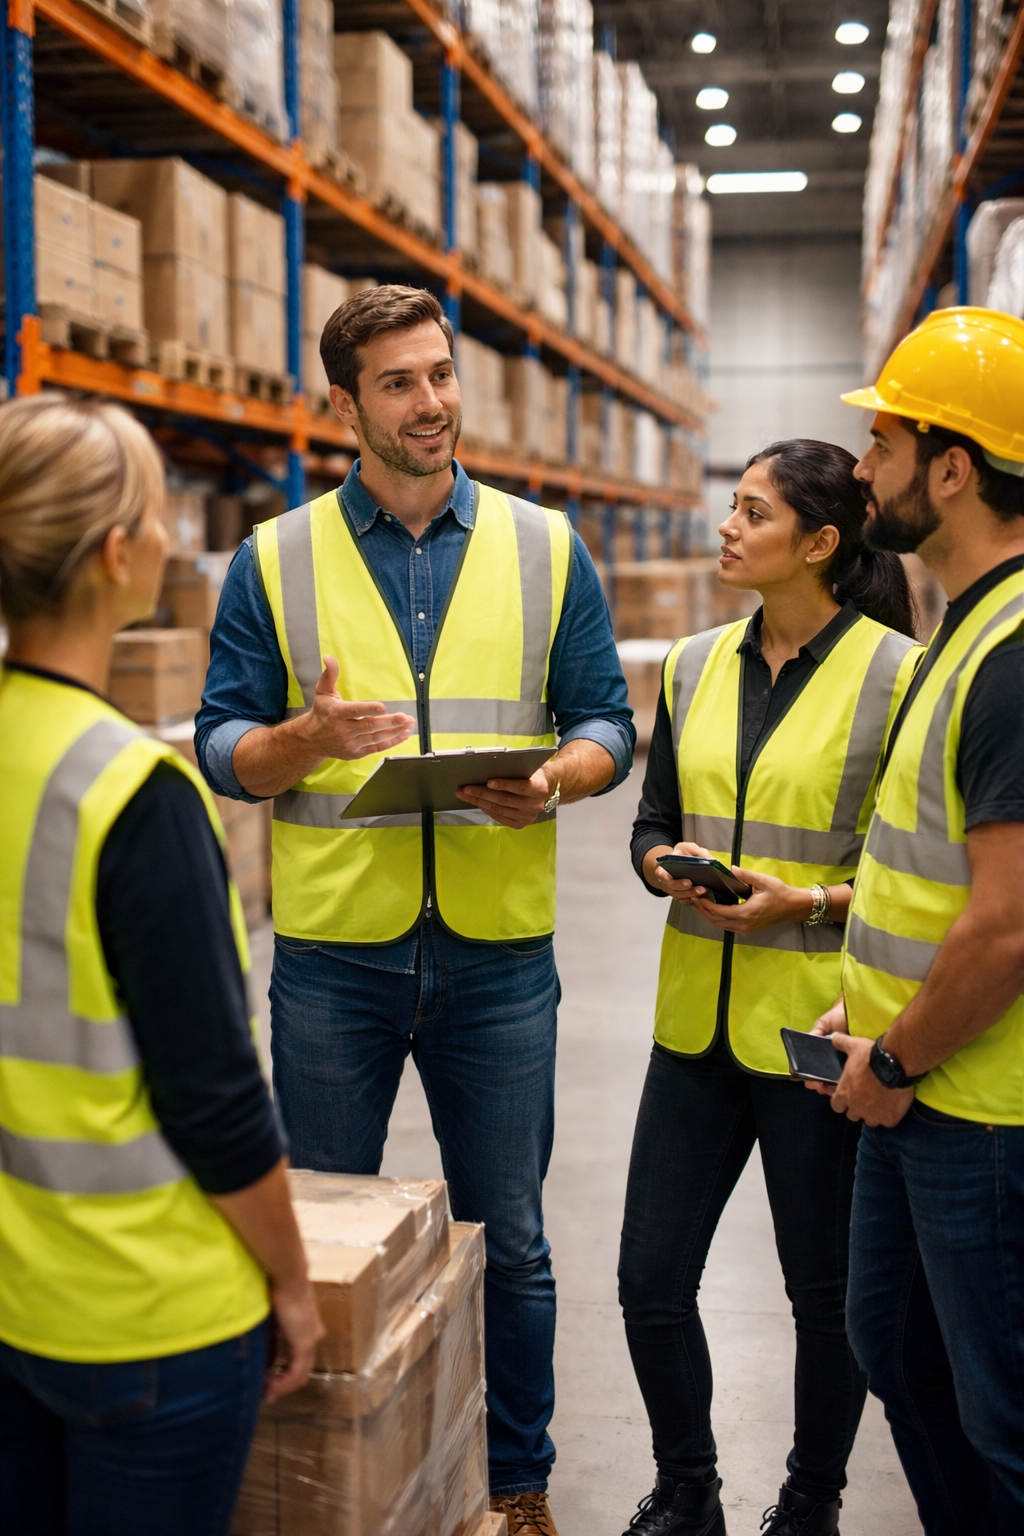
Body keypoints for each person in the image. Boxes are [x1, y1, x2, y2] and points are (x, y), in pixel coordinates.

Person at [195, 284, 634, 1536]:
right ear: (345, 406)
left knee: (516, 1242)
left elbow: (607, 720)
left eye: (440, 374)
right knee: (321, 1241)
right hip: (335, 957)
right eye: (398, 383)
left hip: (499, 955)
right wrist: (302, 739)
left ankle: (517, 1484)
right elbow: (222, 748)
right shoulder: (275, 560)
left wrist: (555, 780)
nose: (431, 401)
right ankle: (326, 1492)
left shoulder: (546, 548)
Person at [0, 395, 324, 1536]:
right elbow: (215, 1098)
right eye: (154, 515)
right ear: (116, 553)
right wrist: (292, 1281)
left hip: (14, 1298)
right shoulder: (131, 793)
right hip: (148, 1318)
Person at [621, 439, 921, 1536]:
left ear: (821, 542)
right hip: (692, 1026)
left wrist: (810, 903)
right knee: (649, 1280)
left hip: (816, 1036)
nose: (727, 526)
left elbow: (914, 871)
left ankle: (809, 1503)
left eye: (753, 512)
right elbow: (653, 821)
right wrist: (662, 866)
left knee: (823, 1299)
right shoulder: (690, 662)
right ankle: (687, 1488)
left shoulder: (899, 676)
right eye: (732, 506)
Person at [806, 307, 1024, 1535]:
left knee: (1003, 1414)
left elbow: (1009, 926)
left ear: (952, 468)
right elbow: (929, 872)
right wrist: (876, 1012)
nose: (859, 468)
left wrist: (894, 1059)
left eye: (883, 445)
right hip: (915, 1077)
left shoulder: (1012, 653)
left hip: (979, 1110)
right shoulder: (962, 624)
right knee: (893, 1347)